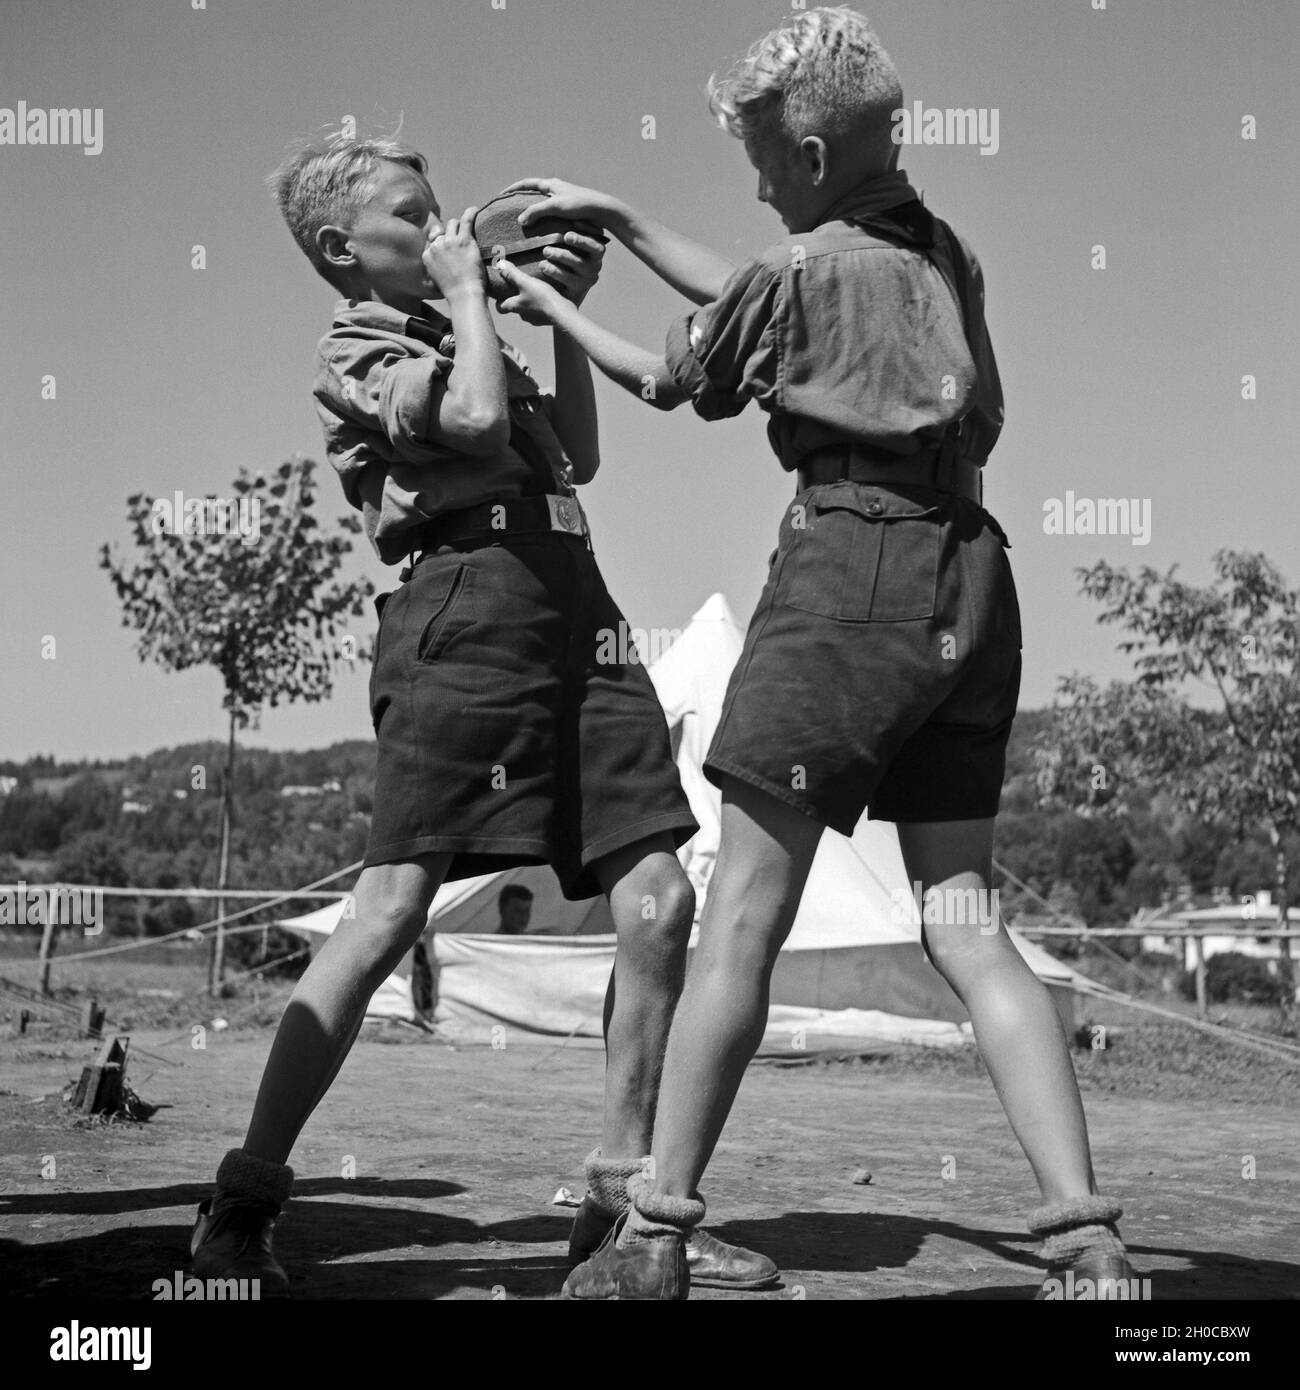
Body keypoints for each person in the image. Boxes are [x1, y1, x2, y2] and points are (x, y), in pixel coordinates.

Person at [495, 7, 1136, 1300]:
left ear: (802, 152)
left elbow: (675, 374)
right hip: (975, 576)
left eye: (755, 157)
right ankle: (1088, 1236)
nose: (748, 179)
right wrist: (617, 216)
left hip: (853, 568)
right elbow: (759, 282)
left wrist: (546, 295)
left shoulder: (795, 279)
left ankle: (657, 1234)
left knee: (740, 912)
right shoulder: (944, 255)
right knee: (967, 922)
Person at [188, 131, 773, 1295]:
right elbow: (464, 427)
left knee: (658, 898)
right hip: (460, 611)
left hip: (576, 610)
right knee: (391, 906)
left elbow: (581, 462)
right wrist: (467, 295)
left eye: (441, 204)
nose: (443, 220)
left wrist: (550, 312)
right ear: (341, 248)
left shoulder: (476, 328)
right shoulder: (355, 342)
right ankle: (244, 1198)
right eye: (415, 211)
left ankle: (618, 1209)